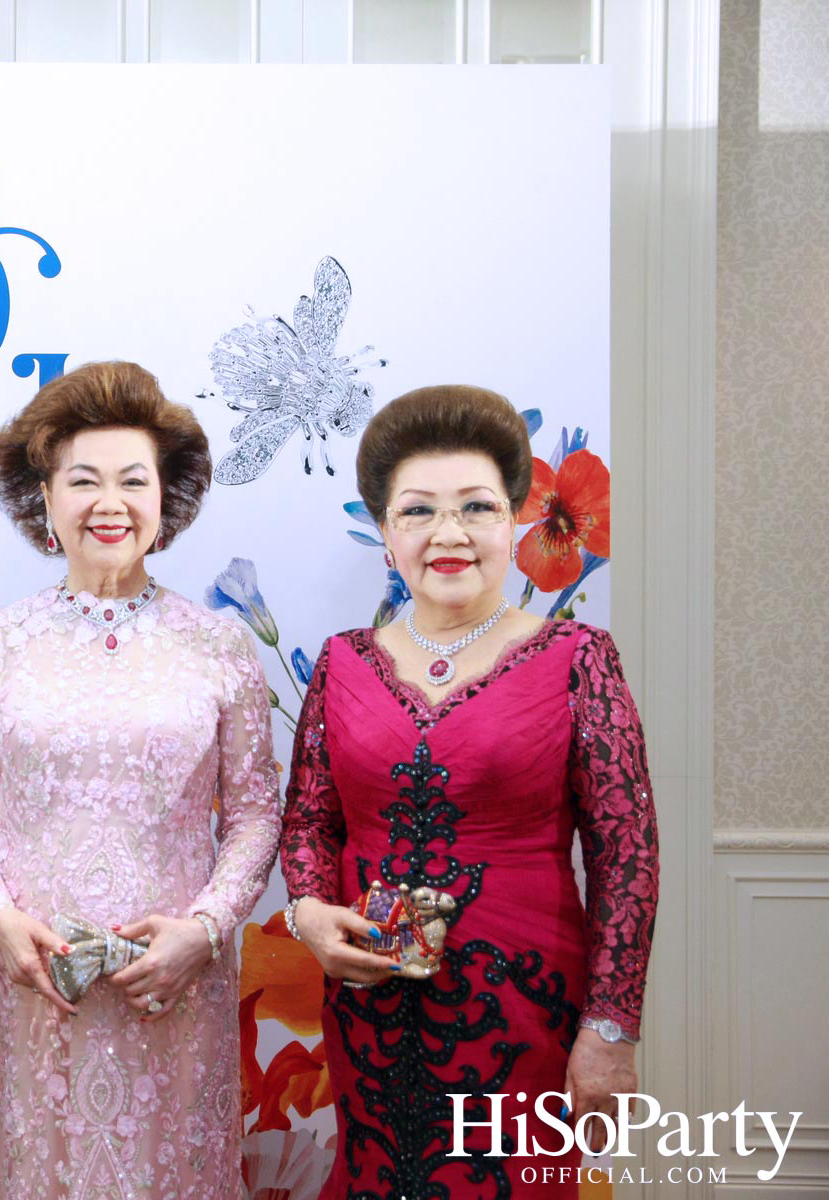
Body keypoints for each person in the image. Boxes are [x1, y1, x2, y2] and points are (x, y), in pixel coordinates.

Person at [280, 384, 659, 1199]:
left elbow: (627, 856)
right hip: (370, 1007)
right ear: (384, 535)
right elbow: (310, 821)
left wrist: (609, 1030)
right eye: (418, 512)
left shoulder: (578, 657)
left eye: (476, 508)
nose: (447, 534)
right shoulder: (343, 662)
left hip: (525, 1014)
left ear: (514, 524)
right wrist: (310, 912)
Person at [0, 361, 282, 1199]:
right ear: (43, 500)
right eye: (82, 480)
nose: (108, 503)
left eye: (133, 480)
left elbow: (258, 816)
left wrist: (207, 927)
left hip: (175, 982)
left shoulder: (219, 645)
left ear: (166, 502)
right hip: (39, 983)